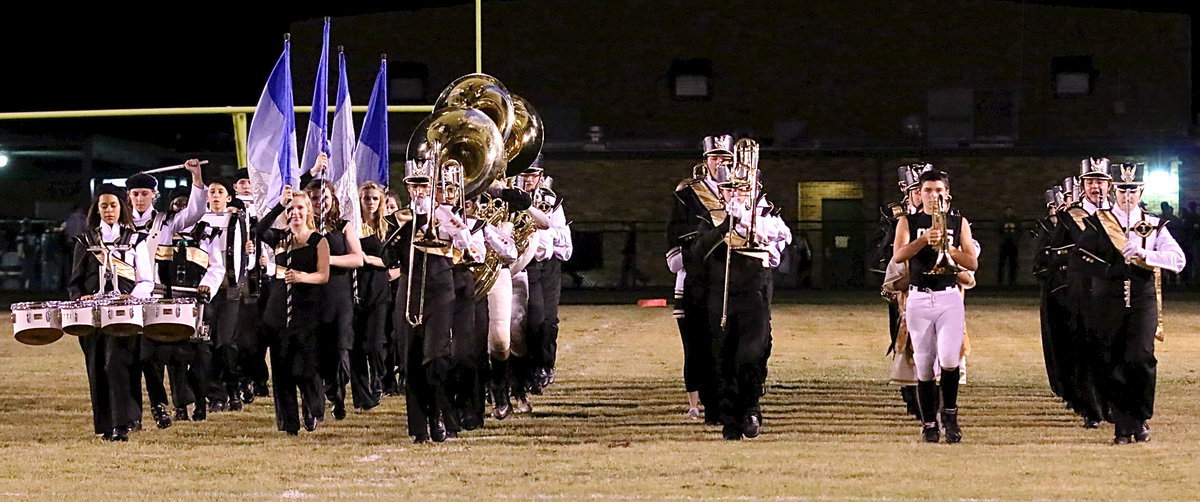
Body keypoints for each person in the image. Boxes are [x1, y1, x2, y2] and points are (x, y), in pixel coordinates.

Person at [1071, 162, 1185, 444]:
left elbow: (1178, 261)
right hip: (1107, 298)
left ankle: (1140, 417)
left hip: (1142, 298)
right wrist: (1109, 270)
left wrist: (1147, 256)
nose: (1127, 196)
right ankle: (1123, 425)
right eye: (1122, 190)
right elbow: (1079, 258)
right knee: (1112, 359)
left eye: (1133, 190)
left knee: (1140, 357)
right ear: (1115, 191)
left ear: (1141, 191)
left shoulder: (1154, 224)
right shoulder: (1100, 221)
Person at [892, 169, 978, 443]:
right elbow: (898, 256)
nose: (933, 196)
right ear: (919, 194)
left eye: (938, 190)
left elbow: (972, 263)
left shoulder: (958, 221)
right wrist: (923, 239)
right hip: (919, 297)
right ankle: (929, 422)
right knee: (924, 364)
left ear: (947, 193)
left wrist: (949, 249)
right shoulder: (908, 220)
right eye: (927, 191)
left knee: (951, 359)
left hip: (949, 296)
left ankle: (950, 415)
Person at [67, 183, 155, 441]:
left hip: (124, 315)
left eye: (113, 205)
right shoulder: (86, 241)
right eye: (104, 206)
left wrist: (132, 298)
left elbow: (146, 281)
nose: (108, 210)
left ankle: (122, 425)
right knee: (96, 367)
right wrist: (79, 299)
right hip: (92, 316)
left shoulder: (135, 240)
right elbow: (75, 282)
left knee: (115, 363)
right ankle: (106, 425)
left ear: (122, 208)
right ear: (97, 209)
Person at [666, 134, 734, 421]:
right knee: (695, 344)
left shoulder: (742, 192)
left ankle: (722, 396)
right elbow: (676, 234)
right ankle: (694, 402)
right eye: (715, 157)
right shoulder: (687, 193)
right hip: (695, 277)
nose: (720, 163)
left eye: (726, 158)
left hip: (730, 280)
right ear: (705, 160)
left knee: (726, 343)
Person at [257, 186, 330, 435]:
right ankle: (289, 423)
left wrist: (301, 278)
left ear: (308, 210)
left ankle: (313, 407)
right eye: (291, 209)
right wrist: (279, 204)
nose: (295, 212)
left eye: (300, 207)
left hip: (307, 310)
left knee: (305, 367)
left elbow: (323, 275)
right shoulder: (279, 238)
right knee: (282, 368)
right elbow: (257, 231)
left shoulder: (318, 241)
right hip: (278, 309)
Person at [997, 206, 1020, 285]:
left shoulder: (1016, 221)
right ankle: (1000, 281)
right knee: (1002, 263)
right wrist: (1002, 239)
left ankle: (1012, 281)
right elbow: (998, 231)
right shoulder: (1002, 221)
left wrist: (1016, 239)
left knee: (1013, 263)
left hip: (1013, 244)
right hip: (1004, 244)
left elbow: (1019, 231)